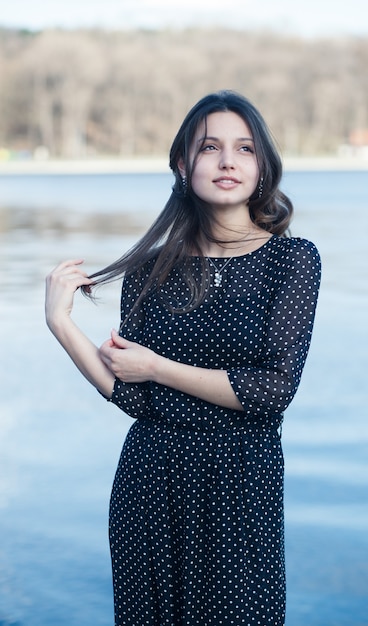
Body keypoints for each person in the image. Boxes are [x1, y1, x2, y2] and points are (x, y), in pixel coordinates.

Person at [45, 90, 321, 626]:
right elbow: (132, 395)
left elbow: (271, 391)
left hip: (242, 487)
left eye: (244, 149)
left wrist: (158, 368)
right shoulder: (152, 268)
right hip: (150, 485)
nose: (226, 161)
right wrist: (61, 324)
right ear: (181, 163)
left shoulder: (291, 258)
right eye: (210, 147)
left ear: (262, 165)